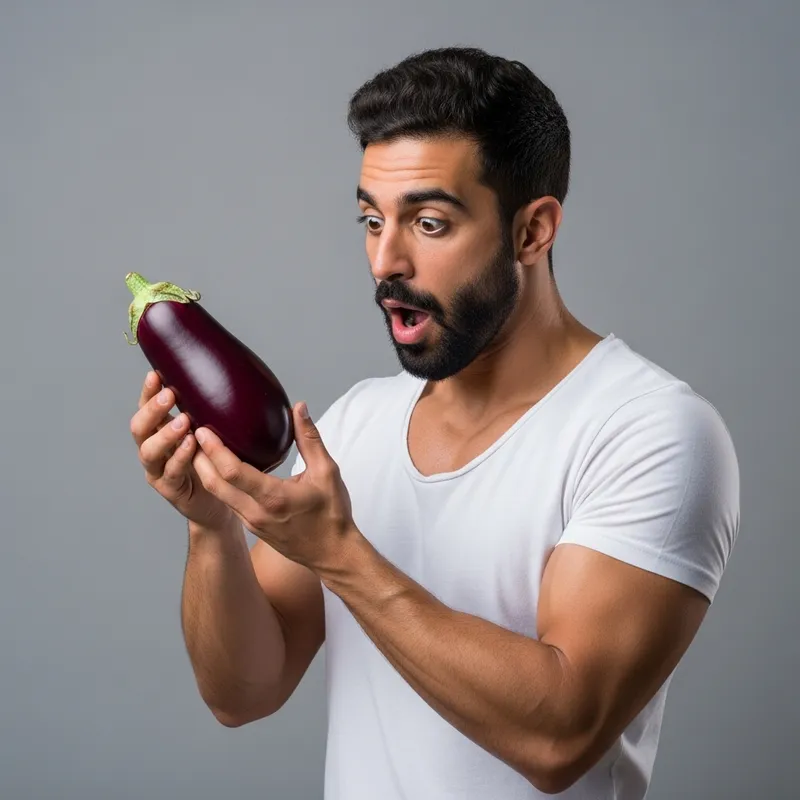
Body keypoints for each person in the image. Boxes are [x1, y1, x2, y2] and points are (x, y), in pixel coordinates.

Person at [129, 46, 740, 799]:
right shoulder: (357, 426)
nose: (386, 260)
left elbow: (560, 736)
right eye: (370, 219)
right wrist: (210, 527)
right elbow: (242, 693)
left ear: (532, 232)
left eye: (428, 222)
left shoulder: (651, 432)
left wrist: (342, 557)